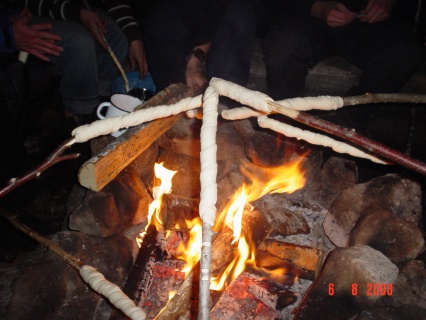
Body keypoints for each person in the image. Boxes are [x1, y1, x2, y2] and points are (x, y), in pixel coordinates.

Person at [262, 0, 424, 131]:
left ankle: (344, 127)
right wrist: (319, 7)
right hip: (308, 15)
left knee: (405, 53)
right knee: (283, 46)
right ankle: (289, 123)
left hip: (371, 20)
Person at [4, 0, 147, 118]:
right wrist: (77, 14)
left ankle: (101, 99)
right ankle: (80, 115)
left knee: (117, 38)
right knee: (80, 42)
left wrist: (133, 36)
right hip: (22, 11)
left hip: (72, 7)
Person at [140, 0, 258, 95]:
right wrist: (134, 39)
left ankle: (227, 101)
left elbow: (216, 15)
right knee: (160, 17)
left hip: (222, 14)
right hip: (166, 19)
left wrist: (194, 63)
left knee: (238, 13)